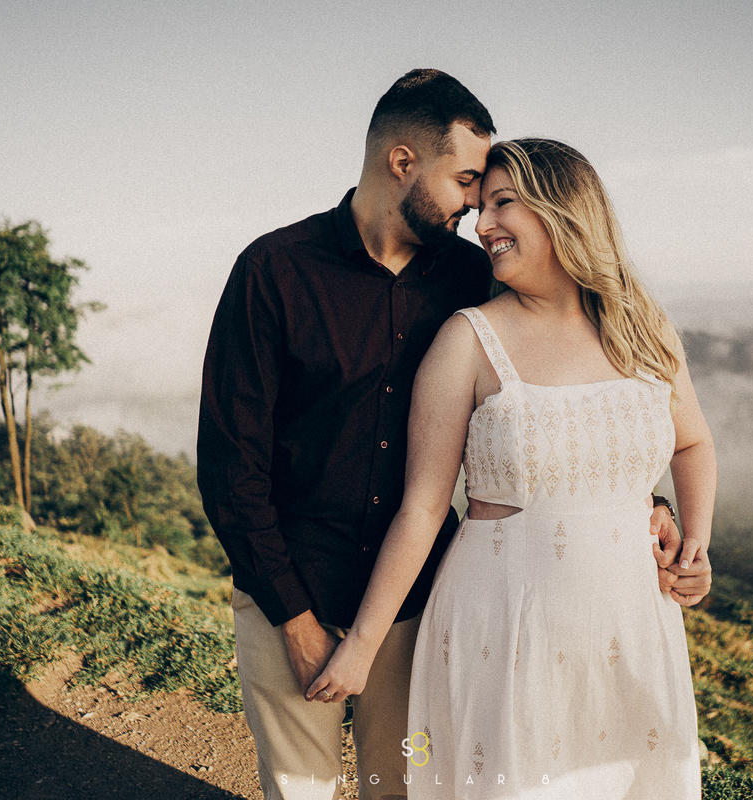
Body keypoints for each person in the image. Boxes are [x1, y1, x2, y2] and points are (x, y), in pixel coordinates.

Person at [199, 68, 701, 800]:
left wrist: (638, 497)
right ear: (402, 162)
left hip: (416, 601)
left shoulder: (475, 276)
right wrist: (297, 622)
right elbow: (230, 468)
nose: (476, 206)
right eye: (467, 180)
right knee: (300, 789)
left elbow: (555, 387)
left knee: (403, 786)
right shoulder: (274, 272)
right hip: (289, 590)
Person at [307, 138, 716, 800]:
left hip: (633, 630)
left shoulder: (645, 329)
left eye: (503, 203)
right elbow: (423, 508)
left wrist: (694, 538)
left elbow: (692, 444)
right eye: (479, 209)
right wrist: (361, 646)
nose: (483, 224)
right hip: (505, 634)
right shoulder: (466, 340)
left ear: (565, 211)